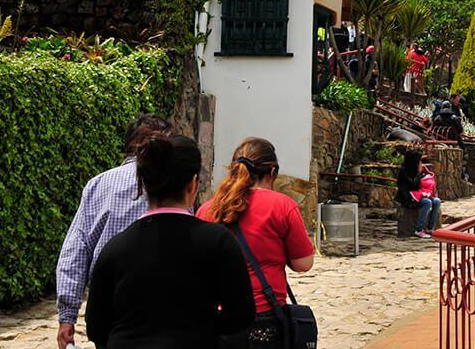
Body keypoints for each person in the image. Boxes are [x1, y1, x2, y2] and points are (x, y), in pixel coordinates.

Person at [86, 135, 254, 349]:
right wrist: (202, 328)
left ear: (145, 184)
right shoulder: (218, 242)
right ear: (193, 184)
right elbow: (241, 315)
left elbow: (96, 326)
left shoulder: (115, 248)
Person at [56, 114, 172, 349]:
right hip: (162, 300)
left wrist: (67, 315)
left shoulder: (99, 184)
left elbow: (76, 248)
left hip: (108, 302)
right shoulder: (174, 183)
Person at [197, 138, 315, 347]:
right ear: (272, 172)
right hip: (264, 317)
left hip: (219, 317)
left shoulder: (206, 210)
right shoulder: (281, 205)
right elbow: (303, 264)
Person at [396, 150, 442, 238]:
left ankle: (430, 228)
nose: (420, 162)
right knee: (427, 202)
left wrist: (424, 173)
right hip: (408, 197)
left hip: (419, 194)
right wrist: (419, 174)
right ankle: (419, 230)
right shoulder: (404, 171)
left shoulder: (416, 169)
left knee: (437, 201)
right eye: (418, 160)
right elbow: (413, 185)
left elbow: (422, 184)